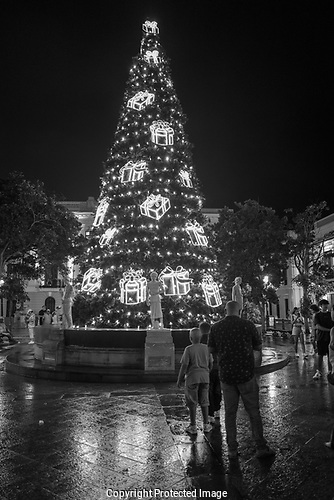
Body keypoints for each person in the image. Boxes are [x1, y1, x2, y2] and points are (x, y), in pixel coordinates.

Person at [208, 300, 275, 459]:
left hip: (226, 376)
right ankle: (260, 446)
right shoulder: (248, 325)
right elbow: (258, 347)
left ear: (225, 310)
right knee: (253, 411)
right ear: (240, 310)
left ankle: (231, 449)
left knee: (230, 413)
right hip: (246, 374)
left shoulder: (216, 327)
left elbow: (211, 349)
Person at [177, 327, 213, 435]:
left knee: (192, 402)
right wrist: (206, 372)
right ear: (201, 337)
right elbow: (211, 363)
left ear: (190, 338)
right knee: (204, 401)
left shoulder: (189, 349)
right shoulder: (206, 348)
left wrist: (179, 379)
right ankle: (206, 424)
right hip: (205, 377)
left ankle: (193, 425)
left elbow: (184, 365)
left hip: (192, 378)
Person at [200, 321, 221, 424]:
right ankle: (217, 409)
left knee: (209, 391)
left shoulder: (202, 340)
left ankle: (211, 413)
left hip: (207, 368)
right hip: (218, 367)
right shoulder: (216, 337)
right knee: (217, 389)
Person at [313, 299, 334, 380]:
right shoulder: (317, 315)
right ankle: (319, 371)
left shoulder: (330, 314)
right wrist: (330, 330)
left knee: (330, 355)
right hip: (321, 338)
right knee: (320, 355)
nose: (326, 306)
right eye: (324, 305)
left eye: (327, 304)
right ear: (320, 306)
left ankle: (330, 371)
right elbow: (317, 326)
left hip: (330, 338)